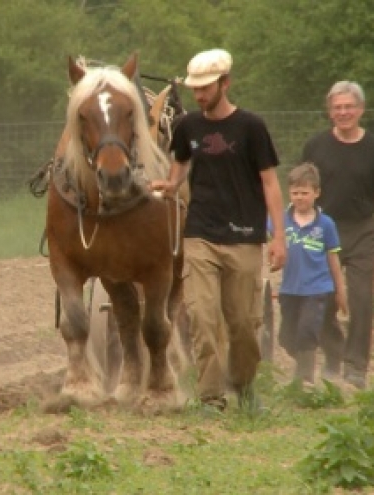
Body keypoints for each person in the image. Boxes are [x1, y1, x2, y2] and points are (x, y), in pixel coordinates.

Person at [150, 48, 286, 411]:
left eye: (206, 88)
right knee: (201, 317)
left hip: (244, 236)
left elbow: (271, 184)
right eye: (195, 89)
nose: (199, 95)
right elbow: (180, 166)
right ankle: (210, 397)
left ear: (225, 83)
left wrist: (279, 238)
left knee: (243, 325)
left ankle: (243, 386)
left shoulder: (252, 128)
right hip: (200, 234)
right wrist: (170, 185)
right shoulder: (188, 127)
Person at [301, 81, 374, 389]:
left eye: (349, 107)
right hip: (323, 231)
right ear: (330, 112)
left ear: (360, 110)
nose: (343, 113)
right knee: (322, 301)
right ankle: (334, 354)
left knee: (361, 298)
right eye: (337, 107)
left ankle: (356, 367)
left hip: (361, 232)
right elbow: (302, 191)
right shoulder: (315, 147)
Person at [269, 163, 347, 385]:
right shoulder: (281, 221)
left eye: (305, 193)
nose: (299, 198)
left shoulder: (326, 225)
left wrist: (340, 291)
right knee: (286, 337)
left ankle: (305, 381)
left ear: (316, 193)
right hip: (289, 288)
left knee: (307, 331)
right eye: (295, 193)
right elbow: (269, 241)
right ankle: (306, 363)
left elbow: (333, 259)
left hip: (317, 288)